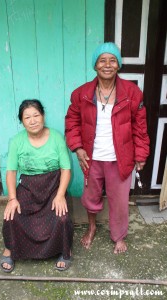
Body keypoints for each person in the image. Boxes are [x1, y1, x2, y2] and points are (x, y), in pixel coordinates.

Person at [65, 42, 149, 254]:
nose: (108, 65)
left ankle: (118, 236)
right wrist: (77, 148)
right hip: (91, 158)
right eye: (102, 60)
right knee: (90, 197)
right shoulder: (81, 94)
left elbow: (140, 128)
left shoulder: (132, 93)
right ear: (95, 65)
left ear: (118, 65)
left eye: (113, 60)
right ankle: (92, 227)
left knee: (119, 201)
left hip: (120, 158)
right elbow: (72, 122)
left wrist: (141, 155)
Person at [0, 99, 73, 272]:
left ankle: (65, 250)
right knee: (12, 216)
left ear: (43, 116)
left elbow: (66, 168)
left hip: (53, 186)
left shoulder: (56, 138)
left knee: (61, 217)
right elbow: (11, 172)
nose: (32, 120)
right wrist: (12, 198)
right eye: (27, 117)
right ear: (22, 121)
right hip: (28, 187)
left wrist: (61, 194)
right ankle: (9, 249)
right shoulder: (17, 141)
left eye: (36, 115)